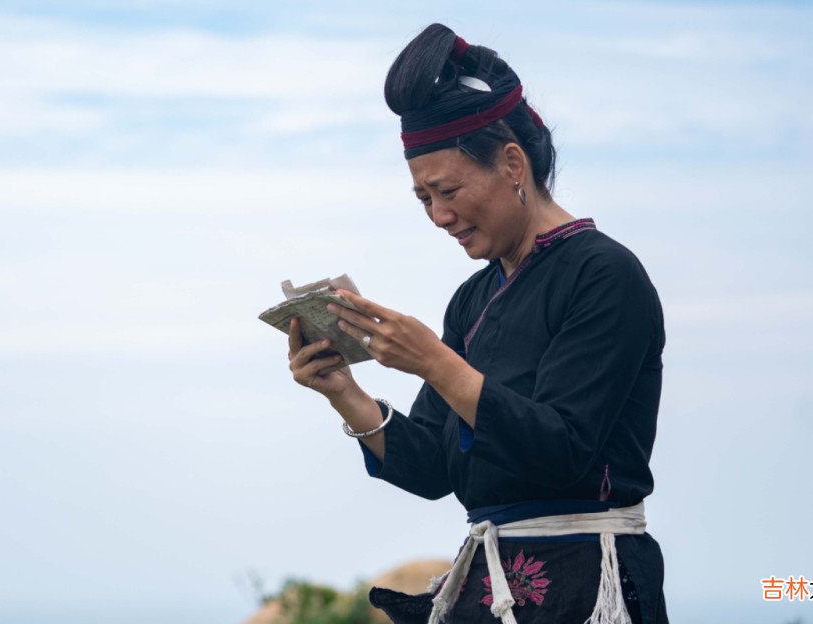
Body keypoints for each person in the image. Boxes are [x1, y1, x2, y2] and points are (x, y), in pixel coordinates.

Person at [286, 23, 668, 624]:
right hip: (493, 589)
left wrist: (435, 362)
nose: (439, 216)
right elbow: (435, 470)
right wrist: (346, 393)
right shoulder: (472, 299)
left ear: (512, 163)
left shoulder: (604, 274)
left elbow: (565, 450)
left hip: (589, 582)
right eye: (423, 201)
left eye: (448, 191)